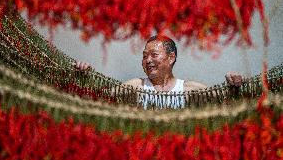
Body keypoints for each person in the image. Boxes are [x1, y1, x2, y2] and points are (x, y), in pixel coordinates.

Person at [76, 35, 244, 108]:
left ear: (171, 58)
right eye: (144, 56)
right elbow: (98, 97)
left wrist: (235, 85)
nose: (147, 60)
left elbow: (227, 101)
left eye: (154, 55)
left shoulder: (190, 90)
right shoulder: (136, 87)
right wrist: (83, 76)